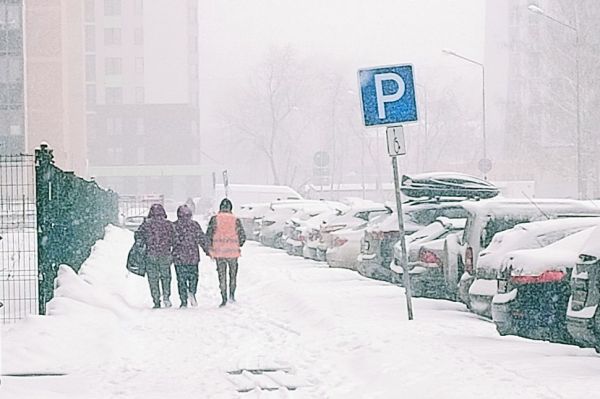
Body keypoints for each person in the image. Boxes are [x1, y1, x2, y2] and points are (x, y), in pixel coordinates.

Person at [206, 198, 246, 307]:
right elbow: (242, 236)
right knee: (233, 275)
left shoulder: (214, 219)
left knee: (222, 276)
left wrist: (210, 249)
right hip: (233, 253)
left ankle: (223, 297)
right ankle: (232, 295)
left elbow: (208, 235)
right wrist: (237, 244)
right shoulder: (236, 220)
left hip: (219, 253)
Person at [137, 203, 174, 308]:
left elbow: (138, 237)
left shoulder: (146, 225)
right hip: (165, 254)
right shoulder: (168, 224)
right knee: (166, 277)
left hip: (151, 254)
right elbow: (175, 239)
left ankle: (156, 300)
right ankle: (166, 296)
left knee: (153, 279)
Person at [172, 204, 210, 308]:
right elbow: (202, 239)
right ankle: (192, 292)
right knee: (193, 277)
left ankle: (183, 300)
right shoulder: (194, 225)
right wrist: (208, 250)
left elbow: (169, 241)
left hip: (179, 257)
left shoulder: (174, 226)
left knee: (181, 279)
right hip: (192, 256)